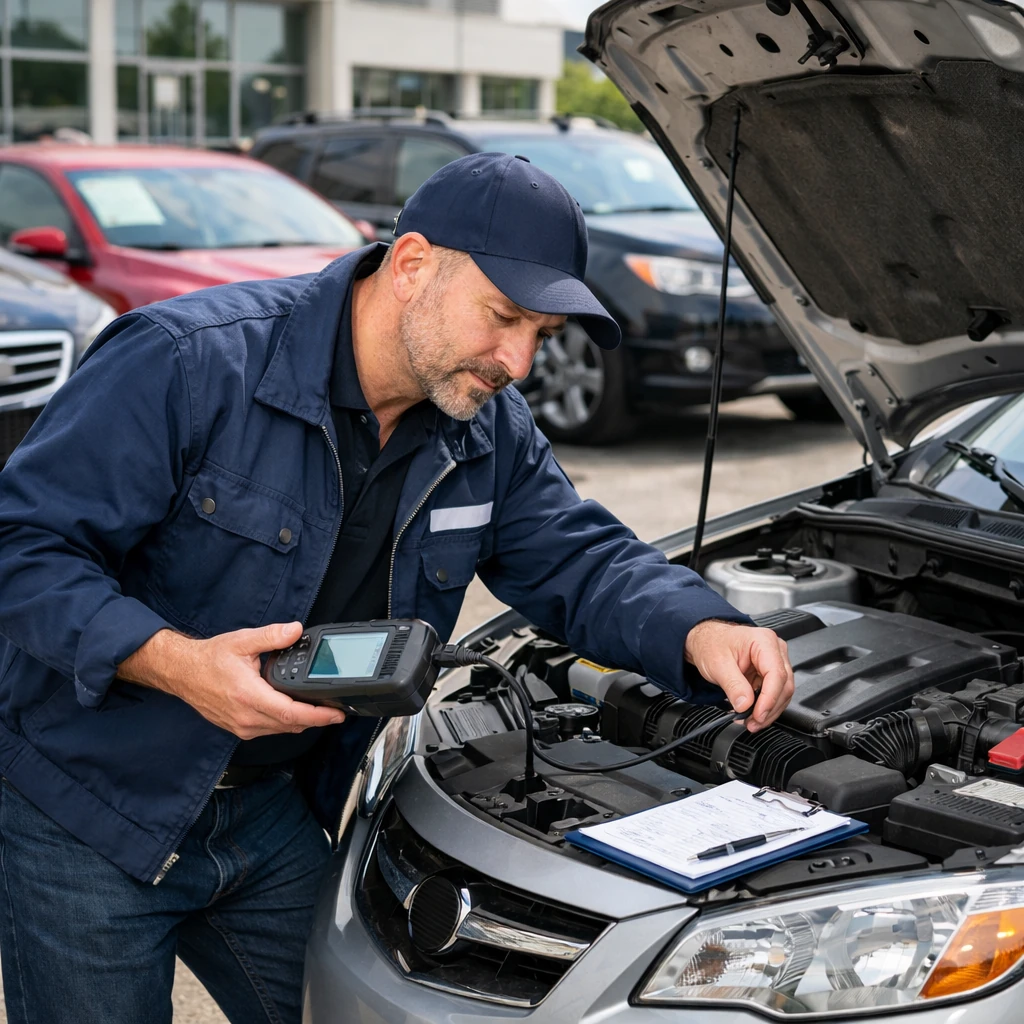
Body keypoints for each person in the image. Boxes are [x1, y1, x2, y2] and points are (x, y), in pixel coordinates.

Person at [0, 153, 794, 1023]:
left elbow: (578, 557)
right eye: (505, 317)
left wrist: (699, 627)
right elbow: (23, 547)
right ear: (412, 264)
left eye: (545, 335)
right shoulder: (184, 363)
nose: (519, 361)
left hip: (274, 815)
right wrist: (174, 663)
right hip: (87, 813)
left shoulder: (487, 426)